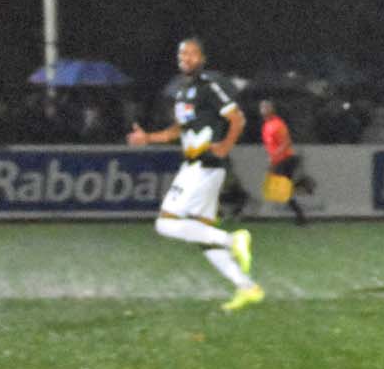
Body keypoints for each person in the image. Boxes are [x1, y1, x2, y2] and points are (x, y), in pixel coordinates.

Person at [129, 37, 263, 311]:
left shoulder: (208, 86)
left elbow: (237, 119)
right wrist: (148, 138)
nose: (186, 58)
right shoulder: (182, 91)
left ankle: (234, 240)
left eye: (191, 54)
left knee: (165, 224)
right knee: (203, 236)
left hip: (205, 165)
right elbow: (178, 130)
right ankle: (248, 287)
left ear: (202, 58)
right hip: (194, 166)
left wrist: (225, 146)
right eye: (182, 54)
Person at [258, 99, 314, 225]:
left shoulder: (278, 124)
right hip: (278, 160)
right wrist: (272, 158)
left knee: (280, 189)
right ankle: (300, 210)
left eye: (266, 107)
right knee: (281, 190)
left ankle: (301, 189)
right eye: (262, 107)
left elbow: (286, 142)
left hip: (286, 160)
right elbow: (271, 145)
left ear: (272, 109)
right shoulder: (266, 125)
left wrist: (275, 156)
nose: (263, 110)